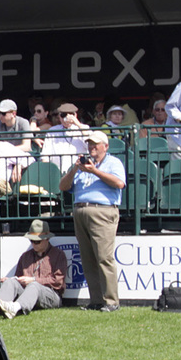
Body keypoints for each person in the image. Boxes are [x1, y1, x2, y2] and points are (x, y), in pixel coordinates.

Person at [59, 128, 125, 311]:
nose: (91, 147)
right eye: (89, 143)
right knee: (88, 259)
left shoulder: (113, 162)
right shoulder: (82, 165)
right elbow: (63, 186)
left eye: (95, 144)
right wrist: (74, 169)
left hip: (102, 211)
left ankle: (111, 301)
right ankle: (96, 300)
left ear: (105, 146)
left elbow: (119, 183)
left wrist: (95, 171)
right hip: (80, 211)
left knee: (104, 257)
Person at [0, 219, 67, 318]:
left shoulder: (58, 255)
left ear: (47, 239)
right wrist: (14, 279)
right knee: (11, 282)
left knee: (34, 285)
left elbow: (58, 282)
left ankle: (14, 308)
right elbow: (18, 278)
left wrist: (33, 280)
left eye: (37, 241)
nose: (34, 244)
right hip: (28, 294)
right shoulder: (25, 256)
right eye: (32, 241)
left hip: (52, 295)